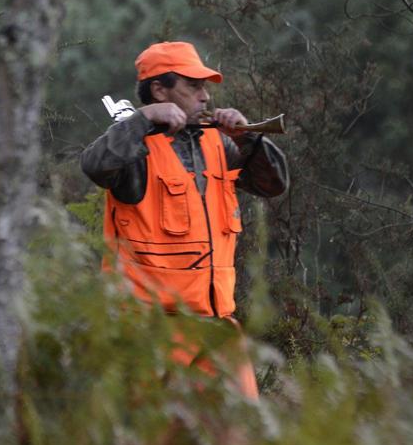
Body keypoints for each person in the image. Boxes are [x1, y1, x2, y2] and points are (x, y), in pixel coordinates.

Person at [80, 41, 288, 398]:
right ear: (160, 90)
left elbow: (273, 185)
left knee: (239, 442)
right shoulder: (137, 149)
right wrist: (143, 119)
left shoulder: (218, 145)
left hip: (217, 327)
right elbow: (95, 164)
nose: (205, 97)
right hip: (148, 330)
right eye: (194, 86)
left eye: (204, 87)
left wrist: (248, 138)